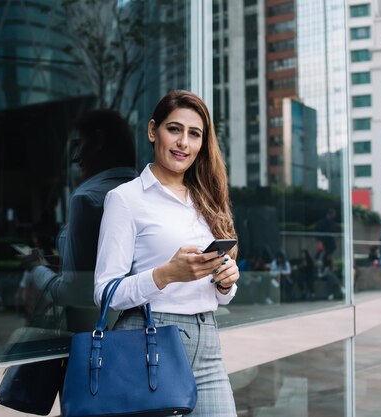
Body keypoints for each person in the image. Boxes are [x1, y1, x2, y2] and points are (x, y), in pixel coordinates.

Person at [94, 90, 239, 416]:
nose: (183, 143)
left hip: (208, 342)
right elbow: (104, 293)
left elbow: (221, 296)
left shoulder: (207, 201)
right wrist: (167, 274)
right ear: (152, 131)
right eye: (174, 129)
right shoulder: (126, 199)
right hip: (151, 342)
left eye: (194, 134)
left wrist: (226, 282)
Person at [25, 109, 138, 324]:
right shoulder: (148, 191)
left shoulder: (86, 200)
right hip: (139, 333)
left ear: (98, 141)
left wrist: (36, 268)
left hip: (93, 335)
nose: (76, 157)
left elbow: (74, 293)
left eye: (79, 144)